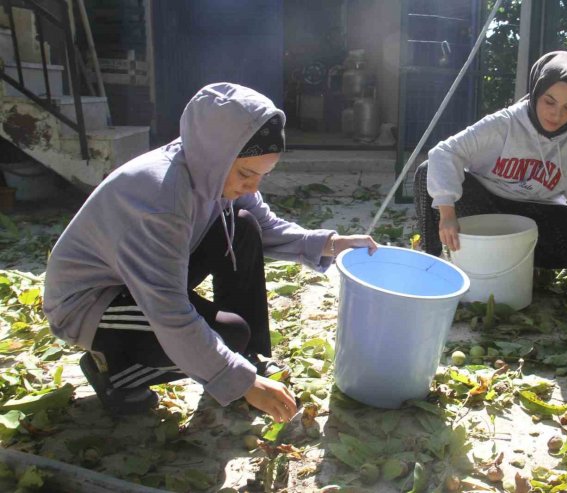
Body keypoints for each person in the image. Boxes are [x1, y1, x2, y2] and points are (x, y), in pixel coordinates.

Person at [43, 82, 378, 419]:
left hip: (143, 276)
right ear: (218, 156)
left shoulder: (208, 167)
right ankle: (115, 373)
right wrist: (240, 382)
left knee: (245, 224)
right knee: (230, 336)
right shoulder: (162, 201)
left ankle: (252, 357)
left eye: (263, 175)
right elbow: (169, 312)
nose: (252, 186)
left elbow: (265, 225)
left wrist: (330, 244)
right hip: (93, 302)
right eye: (247, 174)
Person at [414, 51, 567, 269]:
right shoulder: (506, 122)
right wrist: (447, 213)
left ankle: (509, 260)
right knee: (428, 171)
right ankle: (435, 261)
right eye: (549, 102)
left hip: (539, 213)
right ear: (536, 92)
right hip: (488, 205)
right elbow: (444, 152)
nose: (556, 114)